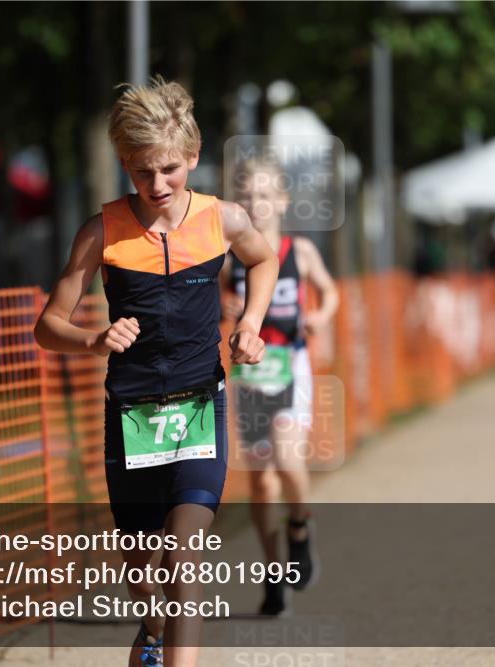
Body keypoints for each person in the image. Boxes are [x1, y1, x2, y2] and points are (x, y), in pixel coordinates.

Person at [34, 77, 279, 667]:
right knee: (144, 574)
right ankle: (151, 627)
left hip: (199, 407)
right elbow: (48, 326)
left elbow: (265, 258)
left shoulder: (224, 219)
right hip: (133, 416)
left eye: (170, 169)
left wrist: (251, 323)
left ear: (194, 158)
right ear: (125, 166)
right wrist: (94, 339)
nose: (158, 184)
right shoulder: (101, 232)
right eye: (143, 172)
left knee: (183, 556)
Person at [221, 157, 339, 616]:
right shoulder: (227, 257)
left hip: (292, 365)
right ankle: (275, 576)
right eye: (248, 195)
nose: (257, 203)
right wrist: (227, 307)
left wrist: (320, 316)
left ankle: (301, 526)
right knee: (262, 483)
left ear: (283, 201)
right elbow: (214, 308)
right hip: (250, 374)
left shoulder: (300, 252)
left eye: (266, 195)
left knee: (289, 460)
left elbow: (331, 292)